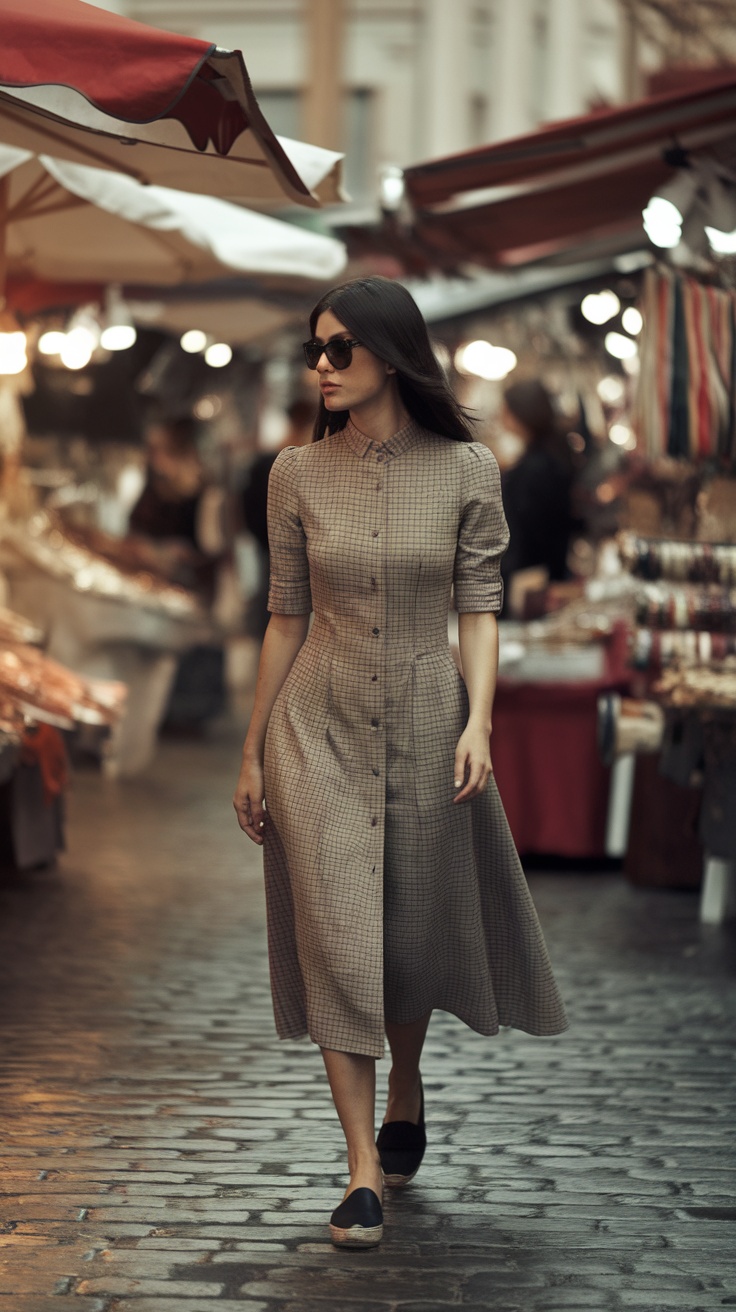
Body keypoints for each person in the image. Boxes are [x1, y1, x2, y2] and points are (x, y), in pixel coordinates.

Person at [233, 277, 567, 1250]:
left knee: (408, 930)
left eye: (340, 348)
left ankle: (407, 1085)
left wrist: (480, 724)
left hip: (429, 719)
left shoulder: (468, 469)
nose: (323, 366)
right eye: (315, 350)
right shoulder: (293, 472)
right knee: (336, 927)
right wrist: (253, 749)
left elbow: (479, 606)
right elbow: (283, 616)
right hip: (317, 728)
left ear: (392, 352)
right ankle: (361, 1170)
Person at [498, 379, 574, 612]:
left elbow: (528, 533)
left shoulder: (536, 467)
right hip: (543, 575)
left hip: (529, 581)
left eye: (507, 410)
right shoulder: (550, 457)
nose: (502, 416)